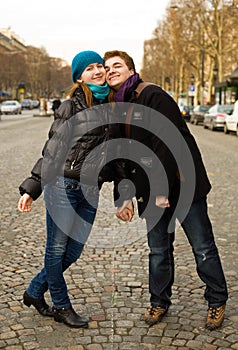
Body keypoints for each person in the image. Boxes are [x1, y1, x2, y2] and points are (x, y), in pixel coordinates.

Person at [103, 50, 228, 330]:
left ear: (130, 69)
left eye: (117, 65)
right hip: (150, 191)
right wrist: (124, 198)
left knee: (202, 247)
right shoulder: (115, 106)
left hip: (183, 185)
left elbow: (169, 142)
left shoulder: (153, 95)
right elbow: (120, 156)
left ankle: (217, 300)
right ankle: (159, 301)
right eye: (106, 67)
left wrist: (162, 189)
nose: (110, 70)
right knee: (158, 250)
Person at [18, 50, 132, 328]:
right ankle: (61, 305)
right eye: (89, 68)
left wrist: (124, 196)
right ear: (79, 77)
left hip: (91, 191)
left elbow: (117, 159)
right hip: (63, 186)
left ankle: (34, 291)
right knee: (56, 250)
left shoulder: (113, 108)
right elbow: (52, 151)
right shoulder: (70, 107)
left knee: (73, 252)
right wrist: (32, 187)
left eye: (99, 66)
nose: (97, 71)